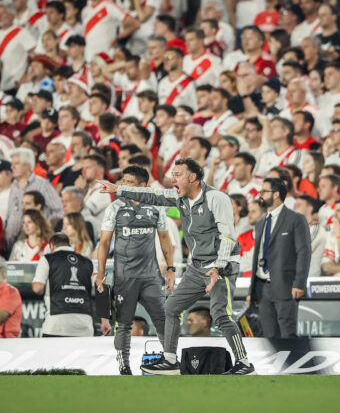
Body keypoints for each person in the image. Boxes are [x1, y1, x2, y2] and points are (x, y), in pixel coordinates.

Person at [98, 158, 255, 375]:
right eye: (173, 174)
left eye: (178, 175)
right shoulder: (179, 197)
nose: (173, 180)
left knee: (221, 314)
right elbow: (150, 195)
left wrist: (218, 267)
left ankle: (245, 363)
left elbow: (228, 237)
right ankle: (170, 360)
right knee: (171, 307)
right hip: (198, 265)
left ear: (193, 178)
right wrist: (118, 189)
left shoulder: (216, 198)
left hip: (223, 264)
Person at [96, 165, 175, 375]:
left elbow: (165, 239)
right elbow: (104, 243)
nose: (123, 185)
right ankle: (124, 366)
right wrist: (100, 273)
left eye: (129, 182)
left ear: (143, 186)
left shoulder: (156, 207)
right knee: (123, 324)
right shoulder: (115, 207)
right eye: (122, 181)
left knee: (163, 321)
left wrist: (171, 269)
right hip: (124, 276)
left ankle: (171, 361)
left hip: (151, 277)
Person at [247, 177, 312, 338]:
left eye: (264, 191)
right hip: (262, 288)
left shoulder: (295, 219)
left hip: (286, 286)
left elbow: (304, 253)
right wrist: (253, 290)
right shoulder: (262, 222)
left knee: (287, 335)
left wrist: (299, 284)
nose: (260, 194)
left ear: (276, 194)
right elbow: (258, 256)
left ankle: (292, 363)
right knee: (269, 336)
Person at [32, 233, 95, 338]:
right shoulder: (88, 262)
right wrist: (105, 320)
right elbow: (100, 289)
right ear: (69, 244)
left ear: (51, 246)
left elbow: (37, 288)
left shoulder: (47, 259)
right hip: (84, 326)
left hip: (56, 326)